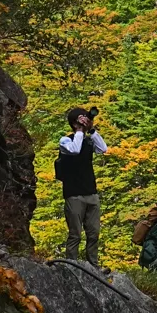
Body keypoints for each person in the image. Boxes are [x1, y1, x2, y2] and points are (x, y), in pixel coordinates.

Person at [55, 105, 109, 264]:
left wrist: (91, 131)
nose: (86, 120)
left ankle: (93, 266)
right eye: (82, 118)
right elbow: (75, 150)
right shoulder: (66, 140)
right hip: (74, 195)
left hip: (91, 193)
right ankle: (71, 265)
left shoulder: (88, 140)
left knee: (93, 233)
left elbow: (103, 149)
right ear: (74, 122)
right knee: (75, 234)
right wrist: (79, 130)